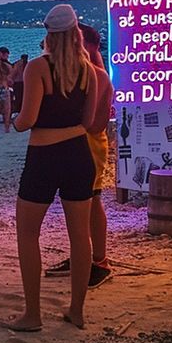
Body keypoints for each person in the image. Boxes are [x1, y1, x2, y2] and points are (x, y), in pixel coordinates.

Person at [5, 4, 100, 332]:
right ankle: (77, 310)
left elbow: (27, 120)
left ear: (48, 34)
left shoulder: (37, 68)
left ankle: (33, 314)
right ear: (76, 34)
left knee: (28, 235)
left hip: (44, 157)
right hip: (78, 154)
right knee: (80, 236)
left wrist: (14, 120)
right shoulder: (90, 70)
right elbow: (88, 122)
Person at [45, 23, 115, 288]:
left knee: (92, 201)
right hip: (73, 145)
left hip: (89, 146)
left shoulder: (97, 76)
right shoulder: (84, 74)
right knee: (76, 205)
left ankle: (99, 261)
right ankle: (82, 255)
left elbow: (96, 124)